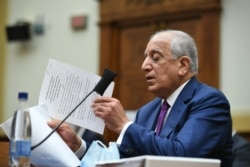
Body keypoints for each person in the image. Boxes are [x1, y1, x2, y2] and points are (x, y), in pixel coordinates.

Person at [48, 29, 232, 167]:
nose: (144, 66)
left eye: (155, 58)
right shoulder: (147, 111)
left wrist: (124, 126)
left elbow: (181, 157)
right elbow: (121, 160)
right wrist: (77, 146)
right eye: (145, 58)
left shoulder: (210, 102)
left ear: (183, 65)